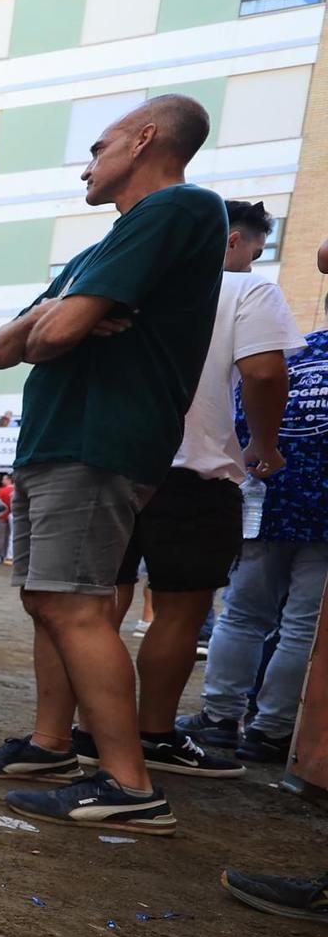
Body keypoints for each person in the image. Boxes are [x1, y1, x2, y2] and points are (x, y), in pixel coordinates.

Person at [0, 95, 225, 834]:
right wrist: (63, 315)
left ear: (143, 141)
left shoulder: (178, 211)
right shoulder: (98, 249)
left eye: (99, 147)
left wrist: (61, 319)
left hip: (99, 437)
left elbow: (49, 334)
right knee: (50, 599)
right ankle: (48, 747)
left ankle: (129, 784)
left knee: (75, 604)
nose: (87, 164)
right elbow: (4, 348)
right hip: (61, 437)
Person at [89, 199, 296, 778]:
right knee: (180, 610)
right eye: (254, 252)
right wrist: (265, 446)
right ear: (232, 241)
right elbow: (263, 371)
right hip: (195, 467)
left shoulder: (133, 286)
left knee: (102, 602)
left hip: (113, 460)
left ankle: (89, 730)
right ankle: (154, 736)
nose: (253, 264)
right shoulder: (248, 293)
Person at [179, 294, 326, 765]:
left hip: (269, 495)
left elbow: (244, 411)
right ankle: (271, 729)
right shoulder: (294, 352)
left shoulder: (297, 354)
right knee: (301, 626)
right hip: (319, 514)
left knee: (243, 614)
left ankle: (221, 717)